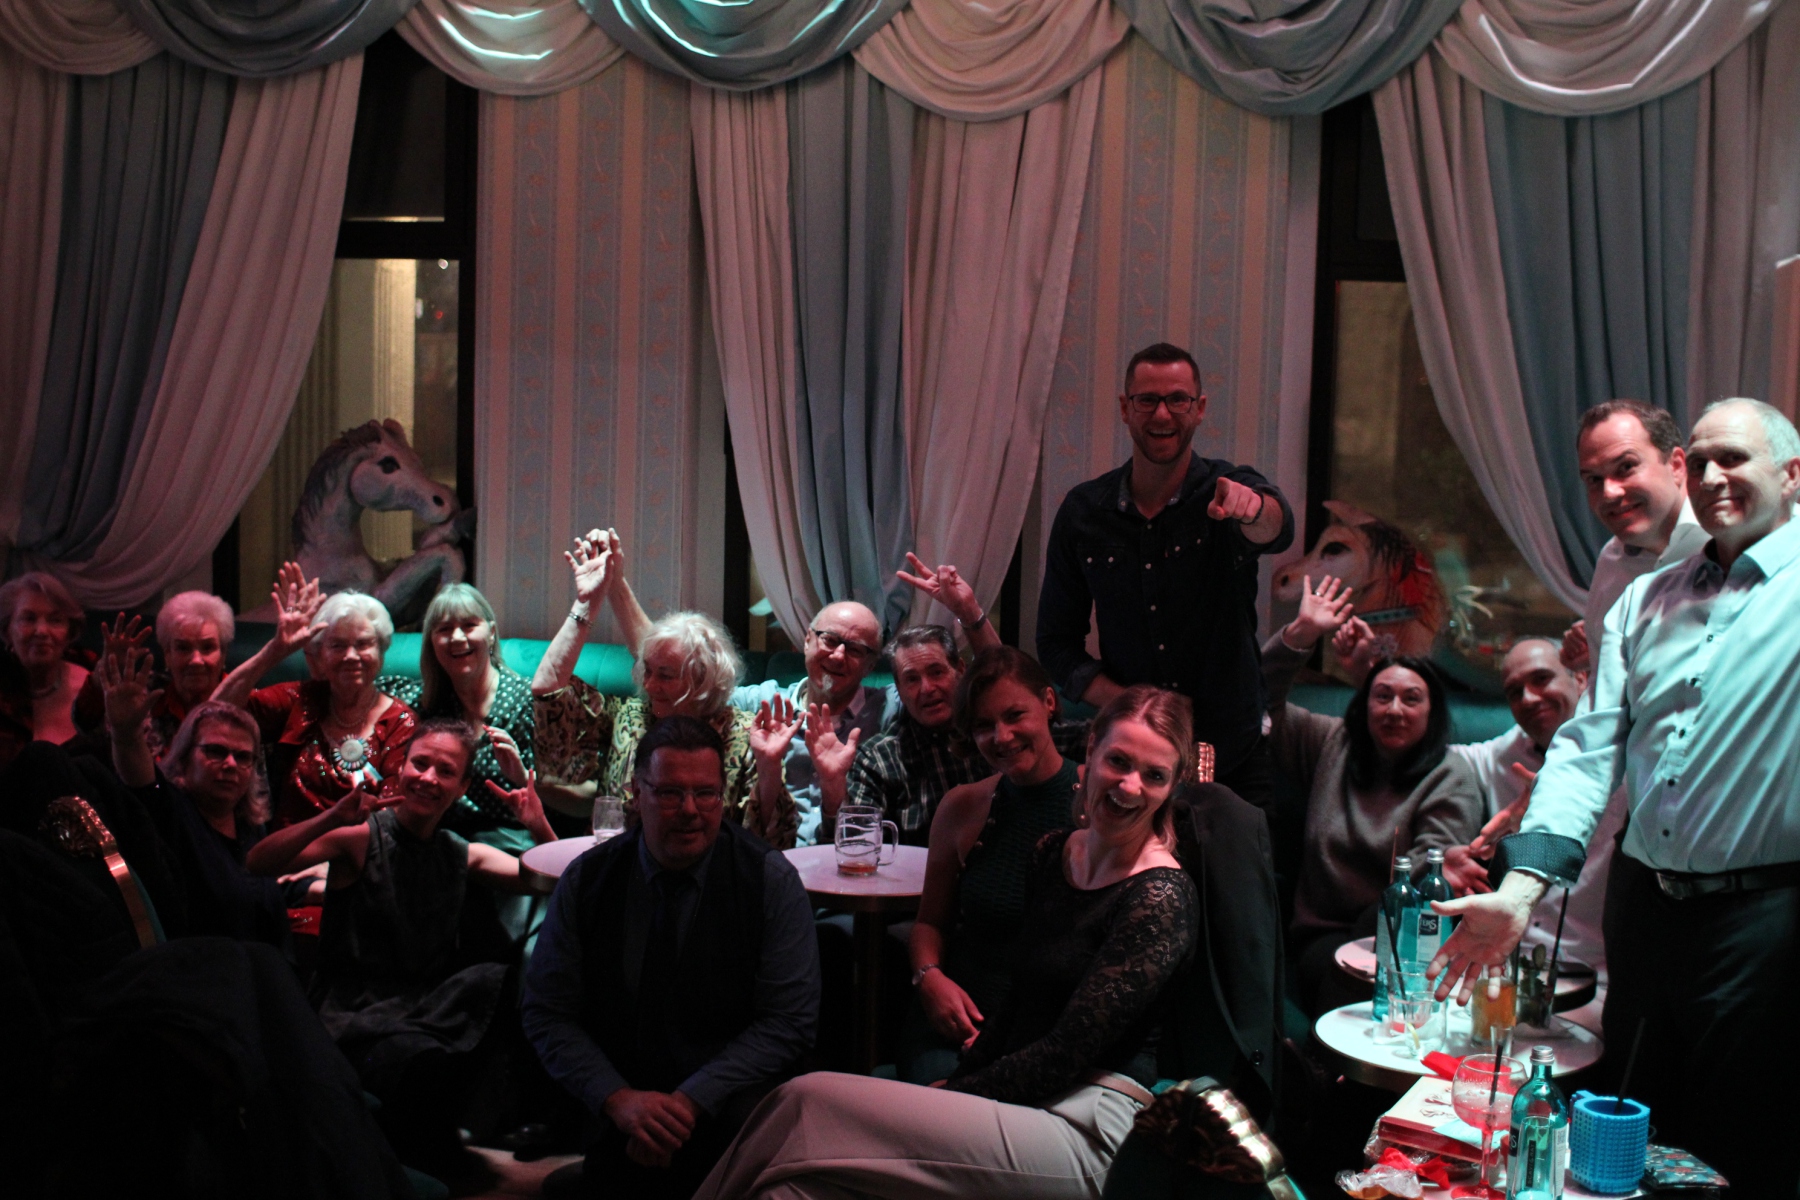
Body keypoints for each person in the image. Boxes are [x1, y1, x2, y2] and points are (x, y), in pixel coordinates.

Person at [1431, 398, 1800, 1194]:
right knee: (1622, 1133)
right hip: (1645, 910)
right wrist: (1521, 889)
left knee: (1742, 1147)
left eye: (1734, 458)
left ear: (1792, 474)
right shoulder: (1641, 598)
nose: (1712, 477)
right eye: (1702, 460)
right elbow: (1586, 749)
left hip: (1765, 921)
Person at [691, 686, 1201, 1200]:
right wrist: (969, 1075)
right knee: (791, 1189)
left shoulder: (1160, 895)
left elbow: (1066, 1051)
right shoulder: (1055, 853)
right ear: (1092, 749)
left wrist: (957, 1091)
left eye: (1154, 776)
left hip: (1093, 1124)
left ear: (1173, 785)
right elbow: (1018, 1001)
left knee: (805, 1099)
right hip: (1029, 1101)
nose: (1130, 786)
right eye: (1118, 761)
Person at [521, 716, 820, 1200]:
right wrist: (616, 1098)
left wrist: (689, 1101)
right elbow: (546, 1010)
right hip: (620, 1102)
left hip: (729, 1106)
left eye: (706, 794)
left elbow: (789, 1022)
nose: (690, 810)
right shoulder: (589, 879)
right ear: (636, 793)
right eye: (669, 793)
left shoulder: (769, 879)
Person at [247, 719, 556, 1181]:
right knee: (419, 1058)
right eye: (420, 764)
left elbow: (552, 880)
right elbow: (258, 863)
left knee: (497, 983)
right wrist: (332, 817)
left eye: (445, 771)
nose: (428, 778)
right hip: (354, 1015)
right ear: (403, 768)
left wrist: (537, 824)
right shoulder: (361, 836)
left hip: (422, 1008)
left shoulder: (459, 852)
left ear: (462, 787)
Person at [1037, 342, 1294, 812]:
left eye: (1177, 399)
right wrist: (1135, 704)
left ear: (1199, 409)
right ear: (1125, 408)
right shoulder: (1083, 511)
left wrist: (1254, 509)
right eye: (1147, 400)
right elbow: (1055, 643)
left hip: (1232, 757)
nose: (1162, 414)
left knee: (1240, 864)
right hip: (1131, 764)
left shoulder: (1227, 488)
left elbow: (1277, 527)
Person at [1262, 576, 1483, 1015]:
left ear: (1432, 712)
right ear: (1364, 705)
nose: (1395, 709)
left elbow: (1433, 877)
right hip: (1324, 934)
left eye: (1411, 699)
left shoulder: (1450, 774)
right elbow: (1257, 704)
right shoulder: (1332, 743)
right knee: (1334, 973)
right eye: (1382, 696)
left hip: (1404, 935)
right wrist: (1301, 634)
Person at [533, 531, 783, 844]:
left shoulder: (746, 736)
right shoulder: (630, 717)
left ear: (702, 681)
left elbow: (769, 839)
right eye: (647, 671)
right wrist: (587, 603)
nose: (649, 685)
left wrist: (770, 768)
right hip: (620, 863)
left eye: (665, 675)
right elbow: (549, 692)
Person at [903, 646, 1081, 1083]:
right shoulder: (963, 806)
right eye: (984, 725)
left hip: (1052, 1036)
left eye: (1015, 715)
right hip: (959, 1024)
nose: (1001, 737)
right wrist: (929, 978)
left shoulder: (1097, 802)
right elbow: (929, 923)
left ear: (1049, 702)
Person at [98, 637, 291, 951]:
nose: (230, 764)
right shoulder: (172, 810)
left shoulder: (250, 829)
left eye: (243, 757)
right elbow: (138, 774)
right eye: (216, 751)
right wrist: (125, 732)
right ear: (185, 758)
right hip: (198, 968)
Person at [215, 570, 419, 827]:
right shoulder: (300, 699)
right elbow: (216, 714)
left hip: (363, 848)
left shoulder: (401, 723)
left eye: (363, 644)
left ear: (381, 652)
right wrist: (274, 652)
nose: (351, 656)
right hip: (289, 848)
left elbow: (390, 816)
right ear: (319, 655)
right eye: (337, 645)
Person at [381, 583, 534, 843]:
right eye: (444, 629)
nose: (457, 638)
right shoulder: (422, 702)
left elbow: (578, 795)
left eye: (469, 625)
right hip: (436, 842)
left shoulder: (526, 700)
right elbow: (358, 691)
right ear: (431, 642)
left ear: (492, 633)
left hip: (509, 842)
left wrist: (524, 778)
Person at [0, 570, 100, 765]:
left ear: (69, 632)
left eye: (55, 620)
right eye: (28, 618)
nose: (42, 631)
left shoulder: (96, 690)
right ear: (7, 631)